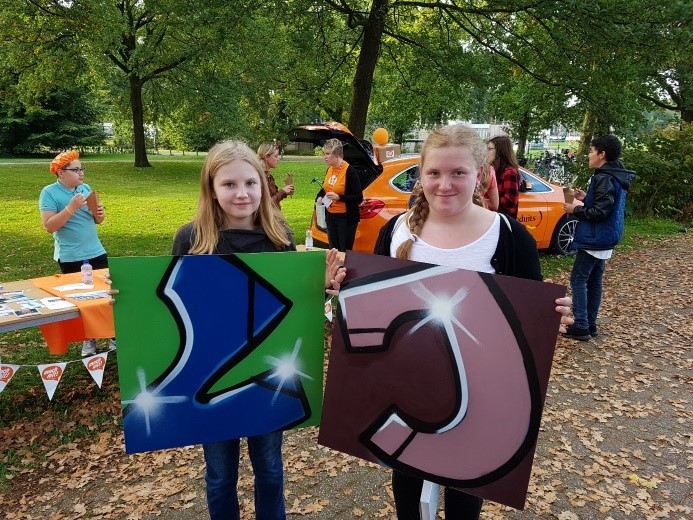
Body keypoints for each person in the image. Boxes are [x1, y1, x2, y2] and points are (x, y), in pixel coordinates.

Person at [372, 124, 573, 520]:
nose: (444, 184)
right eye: (434, 172)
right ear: (420, 174)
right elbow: (374, 308)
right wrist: (341, 288)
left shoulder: (510, 238)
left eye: (458, 173)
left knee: (465, 496)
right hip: (407, 391)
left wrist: (550, 317)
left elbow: (526, 324)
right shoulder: (393, 232)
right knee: (407, 486)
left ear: (479, 174)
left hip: (479, 395)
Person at [170, 140, 344, 520]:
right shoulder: (191, 240)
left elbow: (289, 305)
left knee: (269, 468)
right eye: (229, 184)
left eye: (250, 183)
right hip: (210, 376)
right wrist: (131, 297)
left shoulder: (278, 236)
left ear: (262, 185)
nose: (242, 193)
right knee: (220, 476)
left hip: (268, 374)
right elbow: (170, 306)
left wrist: (319, 289)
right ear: (211, 189)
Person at [562, 134, 634, 340]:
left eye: (591, 151)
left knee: (578, 278)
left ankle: (581, 325)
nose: (589, 155)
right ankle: (590, 324)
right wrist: (587, 198)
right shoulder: (616, 175)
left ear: (602, 154)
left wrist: (575, 209)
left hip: (594, 237)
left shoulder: (603, 177)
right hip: (606, 236)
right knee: (594, 280)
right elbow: (605, 205)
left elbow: (600, 212)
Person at [39, 150, 109, 356]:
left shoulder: (85, 188)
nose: (81, 173)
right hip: (71, 256)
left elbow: (97, 220)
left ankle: (112, 335)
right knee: (81, 300)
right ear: (61, 172)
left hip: (96, 251)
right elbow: (49, 226)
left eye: (82, 169)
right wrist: (71, 208)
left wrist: (100, 215)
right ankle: (89, 340)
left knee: (106, 297)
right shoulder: (49, 193)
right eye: (76, 170)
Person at [316, 138, 363, 252]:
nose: (325, 157)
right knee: (333, 249)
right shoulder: (329, 170)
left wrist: (339, 197)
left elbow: (359, 197)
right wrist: (320, 197)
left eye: (328, 154)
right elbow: (326, 188)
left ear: (337, 155)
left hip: (345, 218)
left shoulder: (349, 171)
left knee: (344, 251)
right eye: (324, 154)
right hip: (331, 216)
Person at [487, 135, 520, 218]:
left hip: (503, 219)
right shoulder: (494, 170)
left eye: (489, 149)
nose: (486, 152)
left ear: (500, 151)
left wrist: (487, 202)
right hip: (493, 218)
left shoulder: (509, 172)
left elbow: (510, 201)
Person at [257, 141, 294, 209]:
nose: (278, 159)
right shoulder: (260, 177)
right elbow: (265, 204)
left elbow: (273, 198)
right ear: (266, 157)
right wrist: (283, 192)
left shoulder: (268, 176)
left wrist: (285, 192)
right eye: (276, 156)